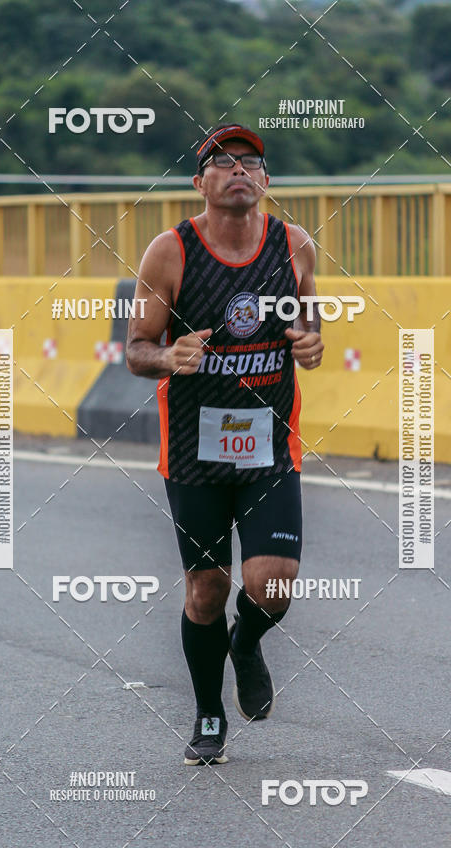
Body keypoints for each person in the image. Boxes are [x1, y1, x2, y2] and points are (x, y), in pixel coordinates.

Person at [126, 123, 323, 765]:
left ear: (265, 181)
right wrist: (168, 356)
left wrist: (311, 343)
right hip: (194, 452)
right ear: (200, 182)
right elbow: (135, 350)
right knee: (206, 592)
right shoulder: (170, 252)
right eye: (221, 161)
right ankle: (209, 713)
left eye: (250, 162)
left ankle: (247, 644)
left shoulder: (294, 246)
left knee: (273, 585)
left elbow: (307, 327)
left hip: (268, 446)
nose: (237, 169)